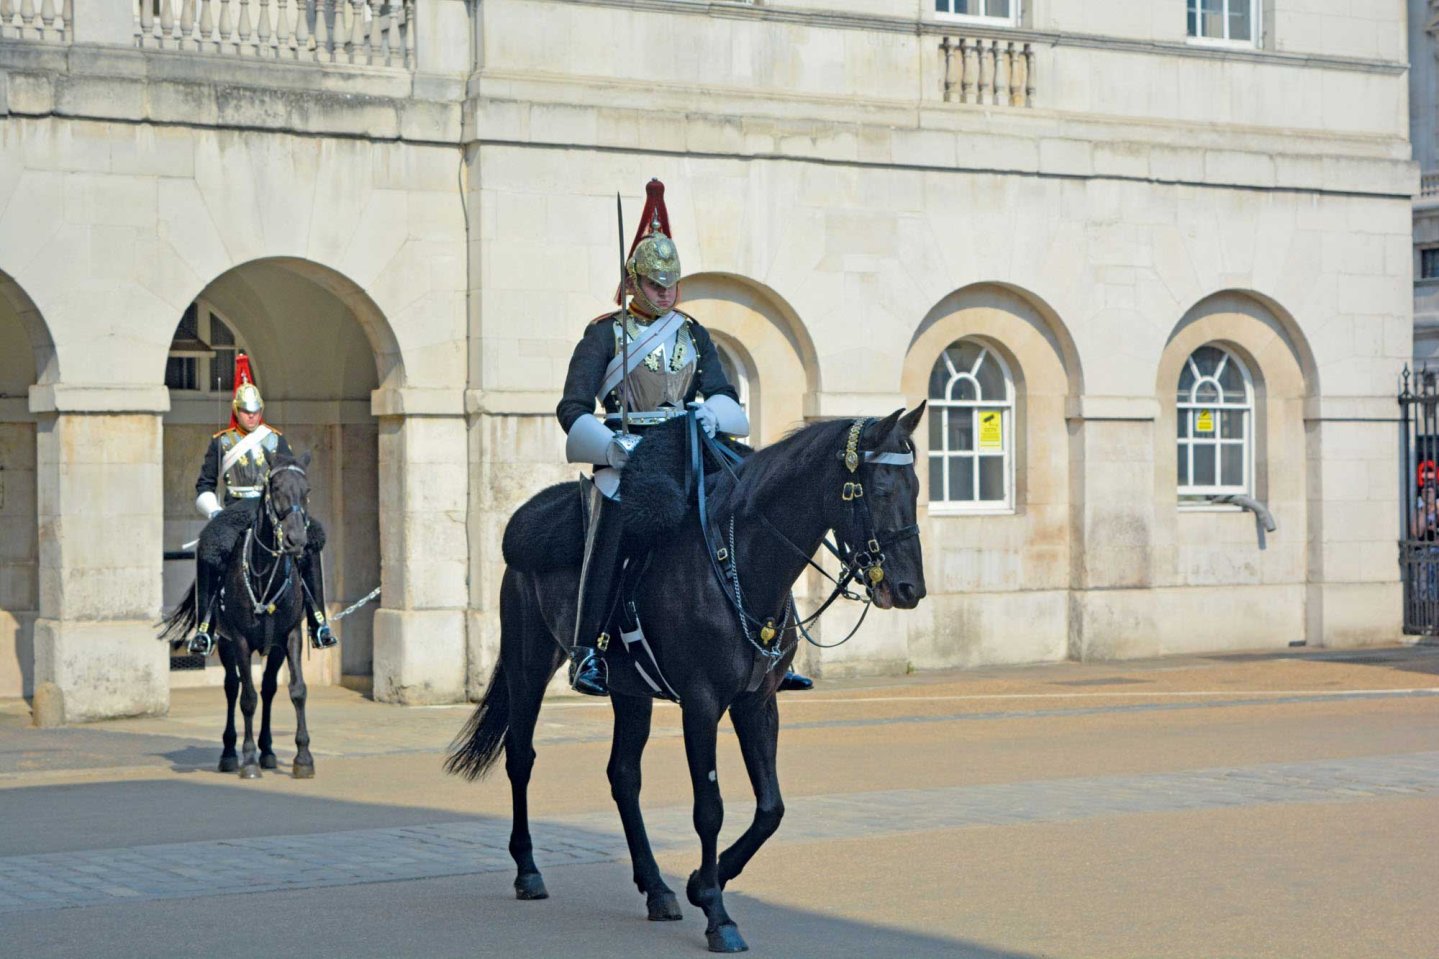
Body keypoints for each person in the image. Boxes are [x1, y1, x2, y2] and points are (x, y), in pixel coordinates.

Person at [189, 354, 335, 656]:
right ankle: (204, 627)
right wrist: (215, 512)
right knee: (208, 547)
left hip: (272, 510)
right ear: (237, 411)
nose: (252, 417)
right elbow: (205, 485)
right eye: (246, 412)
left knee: (312, 540)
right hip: (234, 510)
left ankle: (318, 621)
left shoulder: (276, 440)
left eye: (256, 412)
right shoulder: (222, 442)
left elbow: (290, 476)